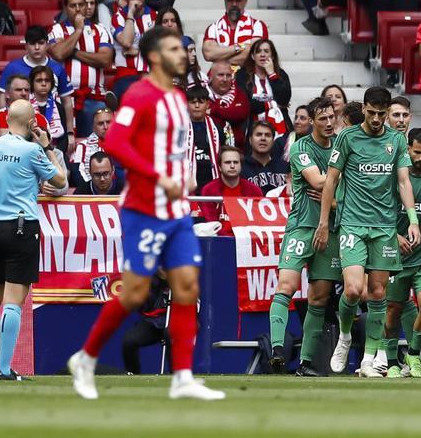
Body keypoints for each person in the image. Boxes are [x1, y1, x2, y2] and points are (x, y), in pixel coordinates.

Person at [68, 27, 226, 401]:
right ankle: (85, 358)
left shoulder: (176, 97)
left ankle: (182, 376)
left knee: (187, 286)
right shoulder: (139, 94)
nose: (183, 53)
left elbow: (169, 151)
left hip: (176, 210)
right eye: (174, 48)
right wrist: (160, 178)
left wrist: (182, 175)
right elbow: (116, 143)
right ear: (155, 56)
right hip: (144, 209)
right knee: (136, 292)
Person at [319, 87, 418, 377]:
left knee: (377, 294)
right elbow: (331, 181)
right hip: (352, 224)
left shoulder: (397, 140)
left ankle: (368, 359)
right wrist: (324, 222)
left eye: (381, 114)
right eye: (371, 112)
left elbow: (403, 182)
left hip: (385, 227)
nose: (376, 119)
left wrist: (412, 220)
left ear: (387, 113)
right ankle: (345, 336)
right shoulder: (347, 138)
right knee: (353, 290)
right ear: (363, 109)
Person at [0, 99, 65, 380]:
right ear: (33, 123)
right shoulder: (32, 150)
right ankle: (5, 369)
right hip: (23, 227)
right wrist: (48, 147)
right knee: (13, 302)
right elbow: (60, 181)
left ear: (7, 119)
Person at [265, 97, 339, 373]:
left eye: (332, 117)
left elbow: (330, 184)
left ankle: (306, 362)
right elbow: (318, 182)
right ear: (311, 122)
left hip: (331, 229)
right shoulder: (301, 148)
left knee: (319, 297)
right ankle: (277, 350)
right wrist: (342, 174)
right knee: (286, 285)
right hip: (301, 226)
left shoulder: (340, 147)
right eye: (323, 119)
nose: (329, 123)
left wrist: (333, 188)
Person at [380, 127, 421, 378]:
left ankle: (415, 354)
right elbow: (378, 211)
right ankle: (392, 362)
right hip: (395, 254)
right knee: (393, 310)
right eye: (417, 152)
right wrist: (395, 237)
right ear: (407, 149)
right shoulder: (393, 176)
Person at [48, 0, 114, 138]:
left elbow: (105, 60)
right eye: (73, 5)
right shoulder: (57, 29)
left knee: (96, 145)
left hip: (94, 97)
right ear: (65, 8)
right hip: (64, 98)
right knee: (67, 145)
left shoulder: (100, 30)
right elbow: (58, 54)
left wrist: (74, 53)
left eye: (81, 5)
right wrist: (78, 30)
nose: (78, 9)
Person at [202, 0, 270, 65]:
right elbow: (209, 54)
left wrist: (220, 58)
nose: (234, 4)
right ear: (225, 1)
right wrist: (239, 47)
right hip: (221, 77)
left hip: (248, 77)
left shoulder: (258, 26)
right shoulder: (213, 28)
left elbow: (254, 54)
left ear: (245, 1)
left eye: (238, 0)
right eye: (230, 0)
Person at [67, 107, 113, 188]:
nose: (106, 127)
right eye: (101, 123)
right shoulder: (82, 146)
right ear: (93, 128)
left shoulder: (126, 146)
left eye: (109, 122)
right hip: (90, 191)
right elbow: (77, 173)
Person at [241, 120, 288, 193]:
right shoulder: (241, 167)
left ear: (273, 141)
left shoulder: (286, 167)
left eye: (267, 135)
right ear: (250, 140)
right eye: (259, 134)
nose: (263, 138)